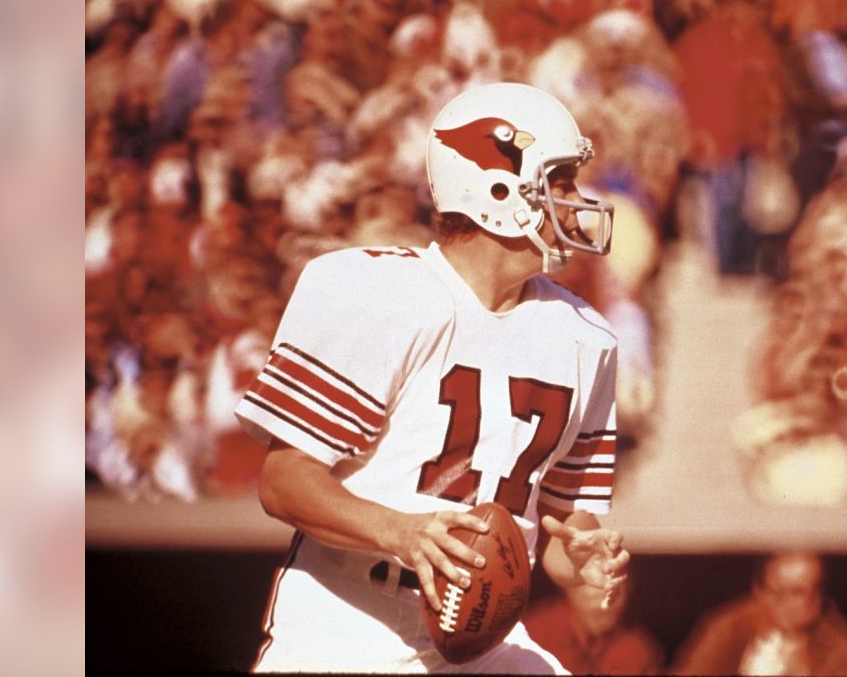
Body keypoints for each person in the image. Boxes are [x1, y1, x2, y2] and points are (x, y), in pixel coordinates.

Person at [235, 82, 630, 673]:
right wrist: (400, 532)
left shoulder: (583, 337)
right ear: (499, 189)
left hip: (483, 632)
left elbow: (565, 525)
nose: (576, 200)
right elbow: (284, 481)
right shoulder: (378, 294)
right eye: (561, 182)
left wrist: (585, 560)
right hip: (347, 621)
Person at [671, 552, 847, 676]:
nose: (801, 603)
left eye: (813, 591)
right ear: (760, 591)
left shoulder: (841, 644)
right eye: (789, 592)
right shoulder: (728, 627)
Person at [524, 580, 664, 675]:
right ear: (568, 590)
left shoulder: (639, 651)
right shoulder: (531, 635)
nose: (603, 606)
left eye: (615, 594)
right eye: (591, 596)